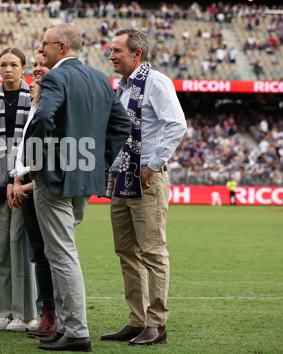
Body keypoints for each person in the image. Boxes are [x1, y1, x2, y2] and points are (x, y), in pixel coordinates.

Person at [28, 23, 131, 352]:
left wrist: (36, 159)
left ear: (61, 46)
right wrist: (99, 162)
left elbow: (42, 118)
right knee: (60, 252)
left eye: (45, 44)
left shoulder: (56, 77)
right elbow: (122, 124)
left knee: (61, 255)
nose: (41, 50)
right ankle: (68, 327)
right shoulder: (101, 78)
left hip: (56, 177)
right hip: (85, 177)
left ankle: (76, 332)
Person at [101, 29, 186, 346]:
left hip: (147, 178)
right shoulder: (123, 88)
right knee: (126, 252)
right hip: (123, 177)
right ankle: (138, 321)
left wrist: (153, 162)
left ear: (137, 54)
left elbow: (177, 124)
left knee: (152, 252)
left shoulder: (157, 82)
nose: (111, 55)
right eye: (111, 50)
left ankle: (157, 324)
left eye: (117, 50)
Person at [0, 47, 37, 332]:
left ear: (24, 67)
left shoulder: (35, 96)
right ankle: (1, 312)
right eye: (3, 64)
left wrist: (23, 181)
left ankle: (25, 314)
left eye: (14, 64)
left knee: (19, 247)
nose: (8, 69)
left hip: (23, 183)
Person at [10, 53, 57, 339]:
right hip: (27, 180)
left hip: (42, 182)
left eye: (44, 64)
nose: (37, 69)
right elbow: (25, 145)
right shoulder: (35, 100)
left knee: (52, 253)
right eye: (36, 64)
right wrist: (17, 177)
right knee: (39, 253)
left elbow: (52, 150)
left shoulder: (54, 102)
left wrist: (27, 183)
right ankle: (46, 316)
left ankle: (57, 317)